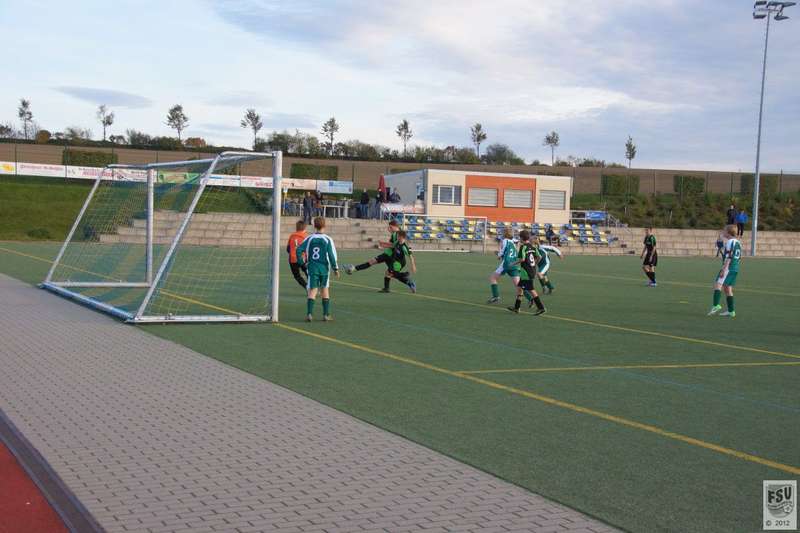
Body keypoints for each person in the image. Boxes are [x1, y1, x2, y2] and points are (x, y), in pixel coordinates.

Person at [295, 217, 339, 322]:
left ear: (314, 226)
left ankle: (309, 314)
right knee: (325, 290)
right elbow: (331, 255)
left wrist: (302, 263)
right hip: (324, 269)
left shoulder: (309, 238)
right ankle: (326, 315)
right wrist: (335, 268)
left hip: (312, 268)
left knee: (312, 291)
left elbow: (298, 250)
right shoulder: (328, 239)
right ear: (325, 226)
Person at [344, 219, 401, 293]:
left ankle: (353, 269)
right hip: (388, 254)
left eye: (390, 227)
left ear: (395, 226)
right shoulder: (396, 234)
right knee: (384, 269)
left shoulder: (397, 234)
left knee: (386, 270)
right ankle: (354, 269)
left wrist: (383, 244)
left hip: (390, 255)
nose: (389, 229)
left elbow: (395, 245)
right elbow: (393, 245)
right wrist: (384, 245)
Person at [507, 230, 546, 315]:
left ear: (521, 238)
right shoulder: (533, 247)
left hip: (526, 272)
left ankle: (541, 308)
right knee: (520, 288)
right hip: (531, 270)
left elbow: (522, 259)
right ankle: (516, 308)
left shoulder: (523, 247)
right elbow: (539, 257)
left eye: (519, 237)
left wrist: (512, 263)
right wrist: (534, 264)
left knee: (531, 290)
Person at [708, 225, 741, 318]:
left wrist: (724, 269)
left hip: (728, 267)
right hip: (735, 268)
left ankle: (716, 305)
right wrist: (720, 240)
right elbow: (738, 256)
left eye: (724, 230)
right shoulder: (737, 242)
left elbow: (729, 256)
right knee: (727, 288)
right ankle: (731, 311)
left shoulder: (730, 242)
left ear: (728, 232)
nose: (723, 232)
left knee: (718, 285)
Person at [487, 228, 520, 304]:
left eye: (503, 232)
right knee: (518, 285)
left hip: (506, 263)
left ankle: (496, 297)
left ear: (505, 234)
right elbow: (516, 244)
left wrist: (499, 255)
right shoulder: (513, 241)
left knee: (493, 278)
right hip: (514, 263)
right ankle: (531, 298)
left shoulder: (505, 241)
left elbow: (504, 250)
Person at [286, 220, 309, 289]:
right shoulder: (306, 236)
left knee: (297, 276)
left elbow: (288, 249)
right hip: (302, 259)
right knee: (308, 273)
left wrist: (293, 253)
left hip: (293, 259)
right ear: (304, 228)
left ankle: (306, 287)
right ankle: (312, 287)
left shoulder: (292, 236)